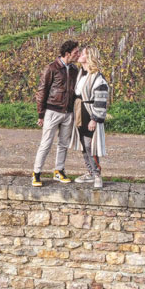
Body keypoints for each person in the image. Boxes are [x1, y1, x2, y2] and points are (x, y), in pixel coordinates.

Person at [32, 40, 80, 187]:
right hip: (53, 111)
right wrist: (41, 114)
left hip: (68, 112)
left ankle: (59, 170)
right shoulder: (51, 68)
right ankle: (36, 173)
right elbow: (42, 92)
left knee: (64, 144)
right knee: (46, 143)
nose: (78, 55)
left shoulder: (74, 70)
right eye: (76, 52)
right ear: (67, 54)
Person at [69, 46, 109, 189]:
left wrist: (95, 118)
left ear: (89, 57)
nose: (79, 55)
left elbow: (101, 100)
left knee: (89, 145)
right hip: (79, 113)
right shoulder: (81, 74)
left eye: (83, 54)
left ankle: (97, 174)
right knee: (83, 146)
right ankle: (90, 172)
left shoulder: (98, 77)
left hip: (89, 113)